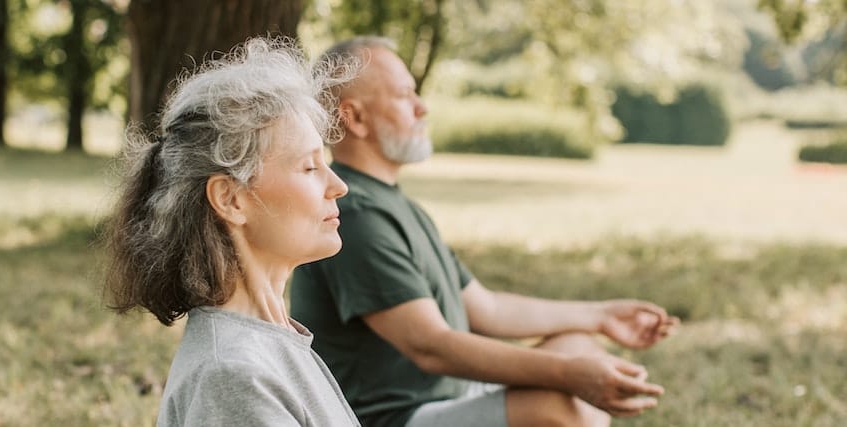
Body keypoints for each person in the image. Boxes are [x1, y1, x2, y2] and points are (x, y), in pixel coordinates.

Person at [290, 36, 680, 427]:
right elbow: (432, 347)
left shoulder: (394, 205)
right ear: (355, 118)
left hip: (449, 399)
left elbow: (487, 309)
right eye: (405, 95)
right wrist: (568, 374)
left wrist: (600, 316)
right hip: (395, 419)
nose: (422, 107)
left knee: (579, 346)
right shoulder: (355, 215)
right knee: (558, 403)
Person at [103, 37, 360, 427]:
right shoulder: (234, 375)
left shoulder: (270, 341)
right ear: (231, 199)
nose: (338, 185)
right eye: (309, 167)